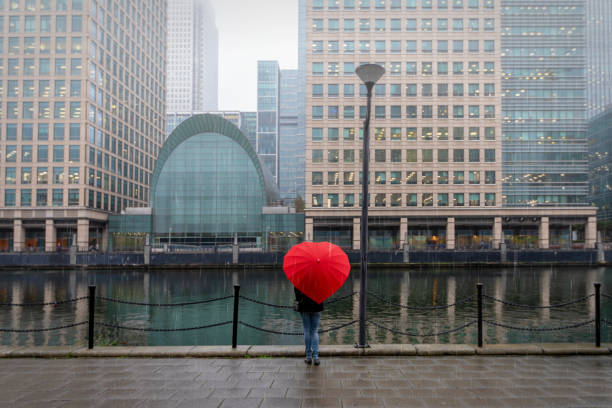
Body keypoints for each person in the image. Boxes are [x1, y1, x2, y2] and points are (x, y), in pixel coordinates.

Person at [294, 287, 323, 365]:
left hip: (304, 305)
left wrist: (300, 298)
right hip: (317, 304)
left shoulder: (301, 277)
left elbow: (296, 291)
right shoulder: (320, 277)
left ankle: (308, 357)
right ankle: (316, 357)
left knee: (307, 330)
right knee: (314, 331)